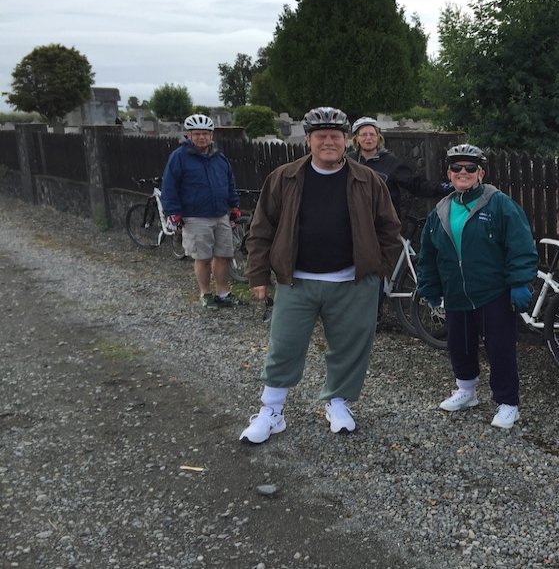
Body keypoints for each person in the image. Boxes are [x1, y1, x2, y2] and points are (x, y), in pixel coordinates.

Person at [239, 106, 402, 443]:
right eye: (321, 136)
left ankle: (338, 402)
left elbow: (389, 228)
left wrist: (378, 270)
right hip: (297, 280)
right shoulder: (284, 178)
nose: (329, 141)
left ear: (347, 141)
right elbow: (261, 228)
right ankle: (272, 411)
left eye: (335, 136)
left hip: (351, 283)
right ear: (309, 140)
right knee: (284, 345)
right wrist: (257, 275)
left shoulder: (367, 180)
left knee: (349, 347)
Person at [414, 144, 538, 429]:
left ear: (480, 172)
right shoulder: (441, 210)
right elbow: (428, 253)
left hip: (493, 292)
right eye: (457, 168)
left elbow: (520, 244)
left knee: (500, 349)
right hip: (456, 292)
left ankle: (508, 403)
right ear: (449, 173)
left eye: (470, 168)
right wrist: (429, 287)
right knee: (459, 345)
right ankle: (467, 391)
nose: (463, 173)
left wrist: (519, 282)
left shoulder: (499, 203)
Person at [160, 113, 242, 310]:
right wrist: (174, 214)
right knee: (203, 257)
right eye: (196, 134)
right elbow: (169, 186)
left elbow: (229, 182)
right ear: (188, 135)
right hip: (195, 216)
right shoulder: (179, 157)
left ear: (211, 135)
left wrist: (234, 206)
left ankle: (223, 293)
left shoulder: (219, 157)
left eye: (205, 133)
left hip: (220, 213)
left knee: (223, 255)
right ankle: (206, 294)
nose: (201, 138)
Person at [347, 116, 451, 220]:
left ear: (378, 137)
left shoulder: (391, 162)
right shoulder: (348, 161)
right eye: (364, 134)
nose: (368, 138)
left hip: (383, 224)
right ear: (357, 138)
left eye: (372, 134)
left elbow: (415, 184)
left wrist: (443, 187)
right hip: (354, 221)